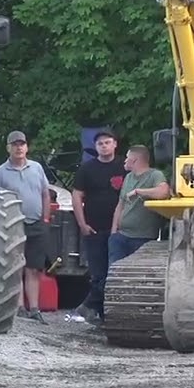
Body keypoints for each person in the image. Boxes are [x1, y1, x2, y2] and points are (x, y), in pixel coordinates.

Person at [0, 130, 52, 322]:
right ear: (8, 148)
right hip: (13, 225)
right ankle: (19, 307)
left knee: (34, 268)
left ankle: (34, 308)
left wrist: (46, 218)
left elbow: (45, 193)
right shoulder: (0, 173)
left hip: (36, 223)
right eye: (15, 144)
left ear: (27, 147)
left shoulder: (37, 168)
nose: (19, 148)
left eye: (22, 144)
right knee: (15, 267)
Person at [69, 128, 125, 324]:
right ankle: (99, 314)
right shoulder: (87, 168)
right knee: (98, 274)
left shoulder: (124, 167)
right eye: (100, 143)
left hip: (120, 231)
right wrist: (82, 224)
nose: (104, 146)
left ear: (115, 144)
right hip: (93, 229)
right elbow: (77, 196)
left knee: (116, 273)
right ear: (96, 147)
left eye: (107, 142)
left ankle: (91, 307)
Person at [109, 144, 170, 266]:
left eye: (127, 157)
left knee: (137, 275)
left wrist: (139, 191)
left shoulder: (155, 175)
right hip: (121, 237)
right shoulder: (128, 177)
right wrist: (114, 232)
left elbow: (164, 192)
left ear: (135, 160)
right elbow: (120, 205)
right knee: (114, 273)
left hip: (142, 238)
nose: (125, 160)